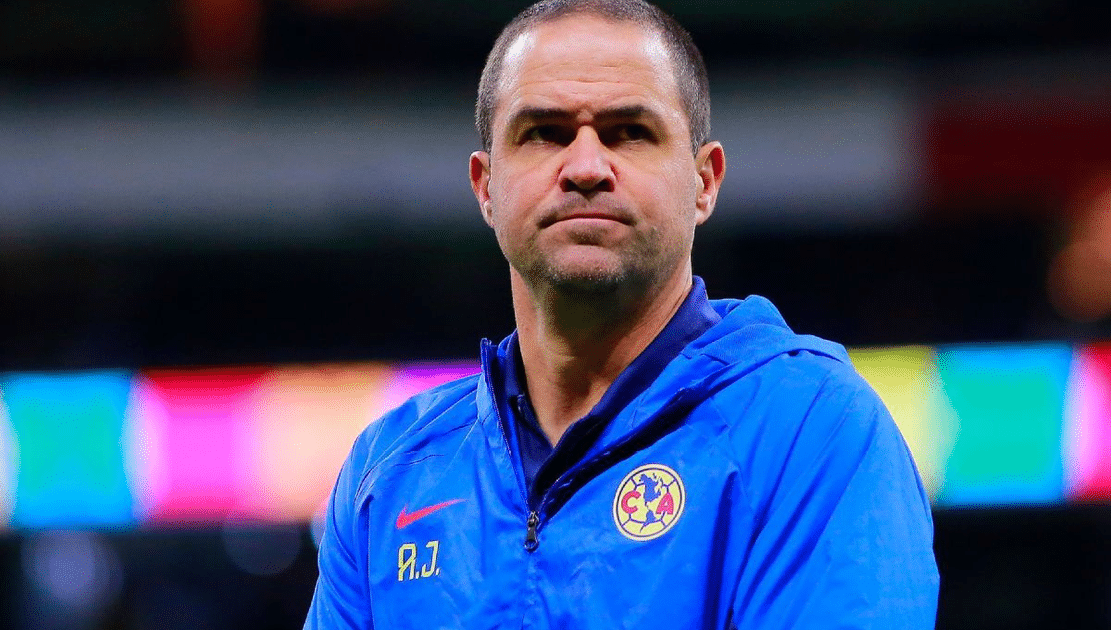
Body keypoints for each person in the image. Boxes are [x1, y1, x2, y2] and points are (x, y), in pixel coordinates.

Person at [304, 0, 939, 628]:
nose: (584, 167)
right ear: (486, 188)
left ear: (705, 182)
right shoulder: (387, 475)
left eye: (629, 132)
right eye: (544, 133)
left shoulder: (809, 426)